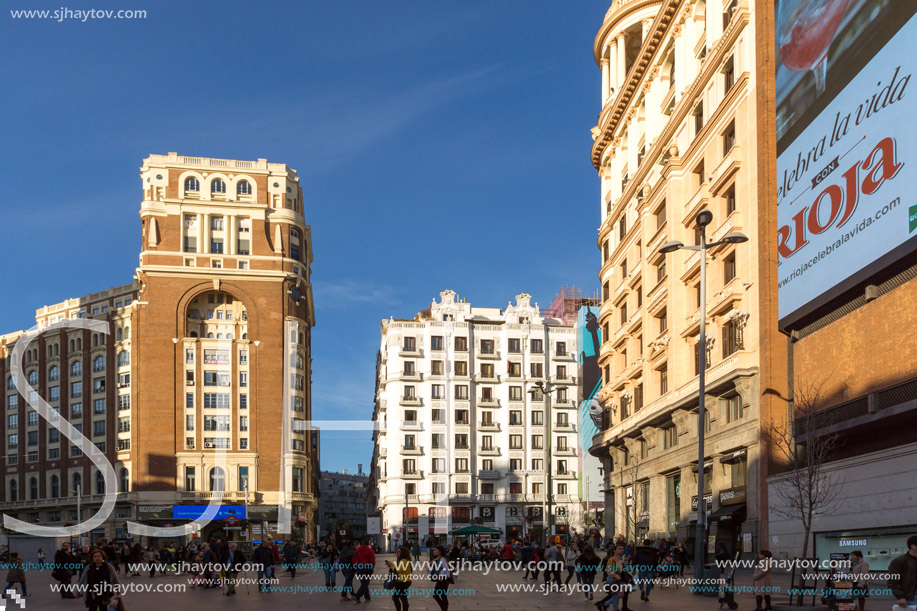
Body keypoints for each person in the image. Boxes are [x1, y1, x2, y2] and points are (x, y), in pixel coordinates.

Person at [889, 535, 917, 609]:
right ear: (913, 546)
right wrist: (900, 597)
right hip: (911, 598)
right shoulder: (899, 561)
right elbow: (893, 581)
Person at [596, 544, 626, 611]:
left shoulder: (619, 559)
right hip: (613, 578)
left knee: (619, 595)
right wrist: (616, 575)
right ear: (614, 551)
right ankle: (615, 609)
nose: (621, 550)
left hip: (617, 578)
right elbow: (608, 570)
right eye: (619, 549)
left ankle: (605, 604)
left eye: (622, 549)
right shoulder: (611, 559)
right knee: (616, 595)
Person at [385, 546, 412, 611]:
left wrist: (392, 566)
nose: (396, 553)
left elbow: (398, 571)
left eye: (398, 551)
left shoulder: (403, 561)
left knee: (398, 597)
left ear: (403, 552)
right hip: (404, 581)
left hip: (403, 582)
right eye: (396, 551)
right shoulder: (404, 560)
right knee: (400, 597)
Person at [354, 536, 377, 603]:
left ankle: (367, 597)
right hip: (367, 569)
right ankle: (357, 596)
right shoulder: (370, 551)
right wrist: (372, 567)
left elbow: (354, 560)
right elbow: (372, 561)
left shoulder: (357, 550)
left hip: (359, 568)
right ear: (368, 543)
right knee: (365, 583)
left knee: (364, 583)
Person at [430, 545, 451, 611]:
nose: (434, 551)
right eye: (434, 550)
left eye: (436, 550)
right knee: (436, 595)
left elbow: (445, 568)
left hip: (443, 579)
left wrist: (441, 575)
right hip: (441, 579)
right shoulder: (439, 558)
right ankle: (443, 608)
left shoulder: (442, 558)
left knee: (442, 595)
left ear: (440, 552)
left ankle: (444, 609)